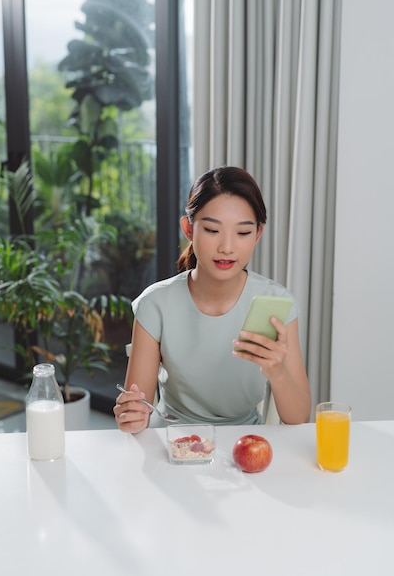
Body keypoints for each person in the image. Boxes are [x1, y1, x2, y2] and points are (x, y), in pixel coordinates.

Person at [114, 166, 311, 433]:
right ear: (189, 229)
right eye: (212, 230)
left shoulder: (276, 303)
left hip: (245, 441)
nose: (227, 247)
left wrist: (277, 371)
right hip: (172, 442)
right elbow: (139, 410)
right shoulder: (156, 304)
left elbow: (298, 418)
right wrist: (131, 415)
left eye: (242, 233)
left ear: (258, 234)